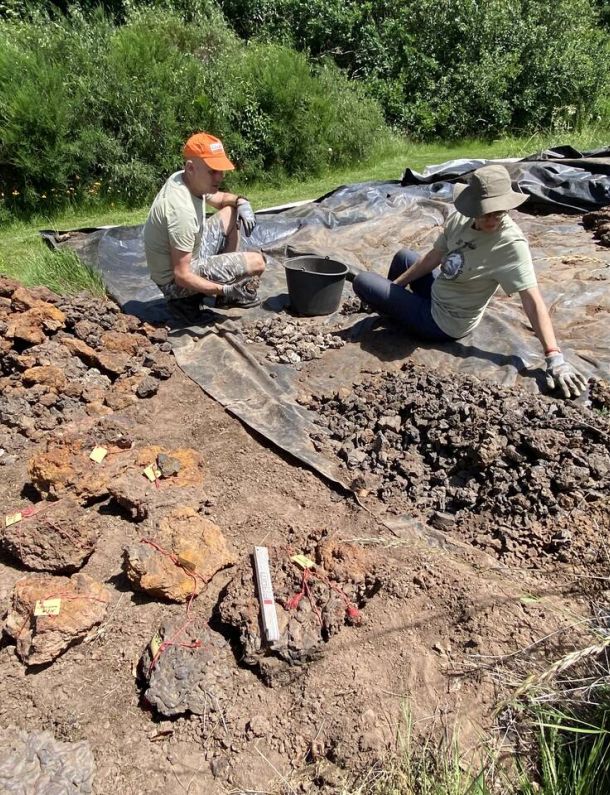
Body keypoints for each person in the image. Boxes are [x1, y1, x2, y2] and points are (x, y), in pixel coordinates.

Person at [353, 164, 587, 399]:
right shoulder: (460, 220)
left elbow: (532, 301)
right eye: (486, 212)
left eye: (500, 211)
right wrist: (396, 287)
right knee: (404, 257)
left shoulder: (510, 245)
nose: (493, 219)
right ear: (472, 206)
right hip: (439, 293)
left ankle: (397, 310)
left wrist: (554, 356)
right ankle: (394, 307)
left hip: (444, 322)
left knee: (363, 281)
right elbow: (433, 257)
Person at [143, 131, 265, 318]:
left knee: (231, 211)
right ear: (191, 168)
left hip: (190, 256)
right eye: (213, 171)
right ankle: (186, 301)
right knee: (257, 261)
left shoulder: (186, 179)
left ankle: (223, 287)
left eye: (221, 170)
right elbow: (181, 275)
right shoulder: (180, 210)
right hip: (174, 284)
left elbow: (222, 198)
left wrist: (241, 202)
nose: (220, 177)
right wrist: (223, 290)